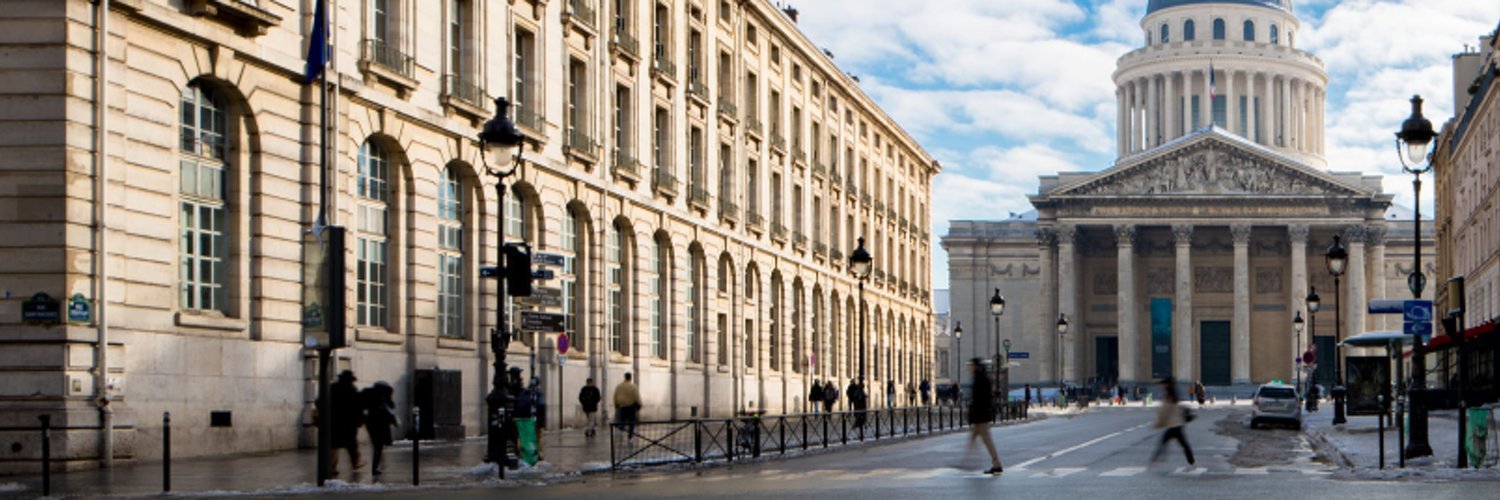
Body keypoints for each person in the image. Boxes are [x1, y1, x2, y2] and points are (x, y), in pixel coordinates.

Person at [967, 360, 1003, 474]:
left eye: (972, 365)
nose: (971, 367)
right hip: (981, 415)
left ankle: (996, 463)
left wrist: (974, 414)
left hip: (980, 416)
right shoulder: (983, 378)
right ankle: (966, 462)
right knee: (974, 439)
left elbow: (979, 399)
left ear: (976, 366)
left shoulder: (980, 379)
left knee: (986, 441)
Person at [1151, 377, 1196, 467]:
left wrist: (1158, 423)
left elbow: (1165, 412)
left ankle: (1154, 461)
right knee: (1183, 444)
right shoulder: (1173, 394)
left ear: (1167, 385)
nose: (1162, 386)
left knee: (1165, 442)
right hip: (1177, 425)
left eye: (1164, 384)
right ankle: (1192, 462)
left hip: (1174, 426)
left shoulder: (1169, 396)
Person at [328, 370, 365, 475]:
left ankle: (332, 467)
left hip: (334, 422)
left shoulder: (332, 388)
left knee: (333, 446)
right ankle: (355, 462)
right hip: (349, 423)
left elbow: (319, 401)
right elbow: (358, 407)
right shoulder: (352, 390)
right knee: (352, 445)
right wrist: (359, 421)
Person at [362, 381, 398, 476]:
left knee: (377, 446)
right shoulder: (382, 399)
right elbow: (390, 408)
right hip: (380, 425)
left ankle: (376, 466)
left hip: (371, 424)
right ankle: (375, 468)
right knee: (378, 447)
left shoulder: (371, 396)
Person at [614, 372, 641, 438]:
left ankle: (621, 430)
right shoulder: (633, 386)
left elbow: (615, 395)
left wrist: (616, 404)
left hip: (622, 406)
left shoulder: (619, 386)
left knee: (622, 420)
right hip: (631, 406)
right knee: (631, 422)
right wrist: (639, 404)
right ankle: (630, 435)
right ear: (630, 378)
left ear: (625, 377)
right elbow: (636, 396)